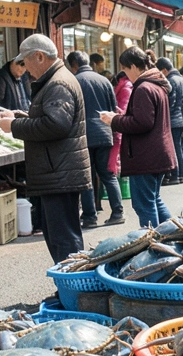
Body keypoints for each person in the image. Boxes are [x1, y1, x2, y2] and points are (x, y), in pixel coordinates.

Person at [2, 34, 90, 263]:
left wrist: (14, 125)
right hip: (58, 170)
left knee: (64, 239)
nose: (25, 68)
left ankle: (73, 293)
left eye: (26, 61)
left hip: (59, 172)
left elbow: (56, 124)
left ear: (39, 56)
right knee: (61, 237)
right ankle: (68, 290)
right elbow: (53, 118)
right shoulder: (56, 80)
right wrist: (22, 116)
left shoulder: (57, 83)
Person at [102, 46, 176, 228]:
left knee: (145, 205)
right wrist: (122, 116)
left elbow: (143, 123)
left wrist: (115, 120)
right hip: (158, 153)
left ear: (133, 66)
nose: (126, 76)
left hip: (146, 156)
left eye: (126, 70)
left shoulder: (143, 88)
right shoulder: (157, 85)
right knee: (154, 199)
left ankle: (154, 244)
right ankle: (172, 237)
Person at [71, 50, 124, 227]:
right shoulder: (104, 81)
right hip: (104, 132)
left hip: (84, 134)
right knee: (107, 174)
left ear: (74, 65)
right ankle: (118, 212)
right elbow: (112, 108)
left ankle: (89, 217)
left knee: (87, 177)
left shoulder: (74, 81)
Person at [156, 58, 183, 185]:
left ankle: (175, 175)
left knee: (174, 148)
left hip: (174, 119)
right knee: (178, 147)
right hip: (182, 118)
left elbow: (170, 102)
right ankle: (180, 175)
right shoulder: (182, 79)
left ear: (164, 70)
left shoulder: (171, 81)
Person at [109, 69, 132, 179]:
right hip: (120, 125)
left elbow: (123, 108)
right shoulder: (126, 86)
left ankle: (114, 178)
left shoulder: (125, 87)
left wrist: (115, 111)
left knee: (114, 156)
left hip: (119, 125)